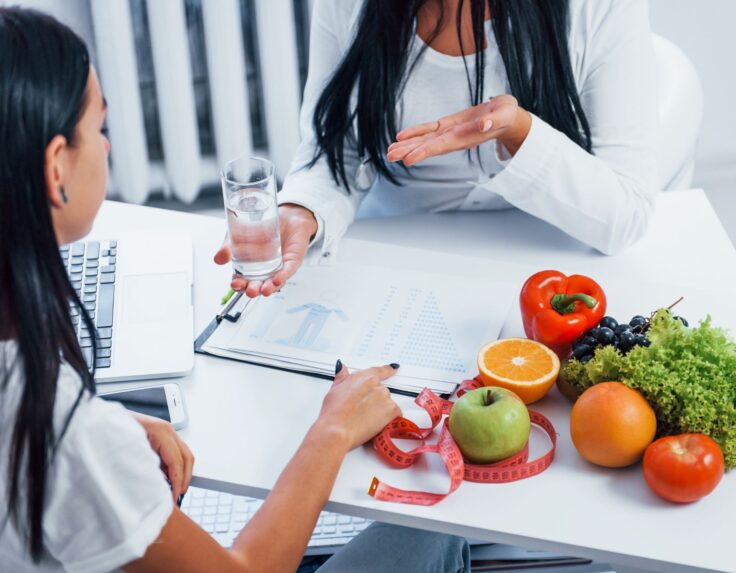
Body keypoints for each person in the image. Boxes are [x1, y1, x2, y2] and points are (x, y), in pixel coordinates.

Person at [0, 8, 471, 572]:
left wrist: (107, 423)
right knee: (432, 535)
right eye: (98, 129)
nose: (105, 148)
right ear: (56, 168)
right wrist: (332, 430)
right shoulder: (62, 433)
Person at [215, 0, 659, 299]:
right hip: (399, 257)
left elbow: (626, 215)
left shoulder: (601, 9)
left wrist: (519, 134)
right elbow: (336, 149)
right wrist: (302, 208)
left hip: (547, 262)